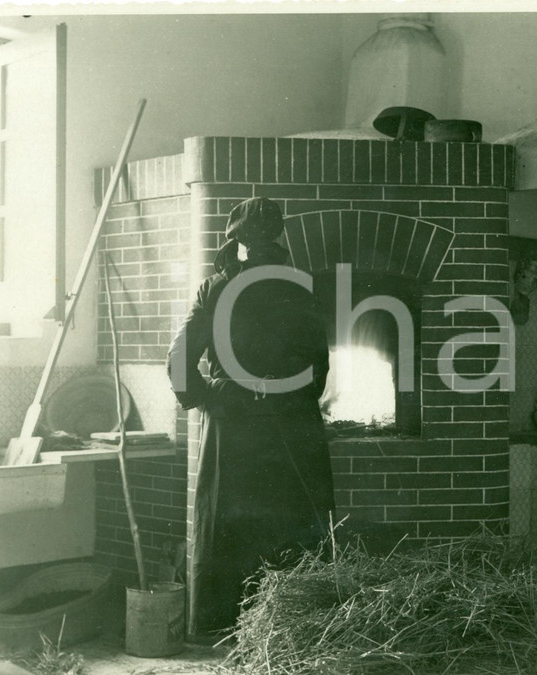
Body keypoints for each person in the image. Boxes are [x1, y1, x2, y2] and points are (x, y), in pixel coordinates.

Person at [167, 197, 334, 642]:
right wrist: (296, 400)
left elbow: (180, 357)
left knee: (229, 524)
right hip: (293, 422)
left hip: (234, 422)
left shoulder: (216, 287)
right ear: (277, 237)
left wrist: (209, 398)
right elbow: (319, 363)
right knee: (294, 519)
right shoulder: (301, 285)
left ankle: (226, 629)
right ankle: (291, 629)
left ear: (236, 240)